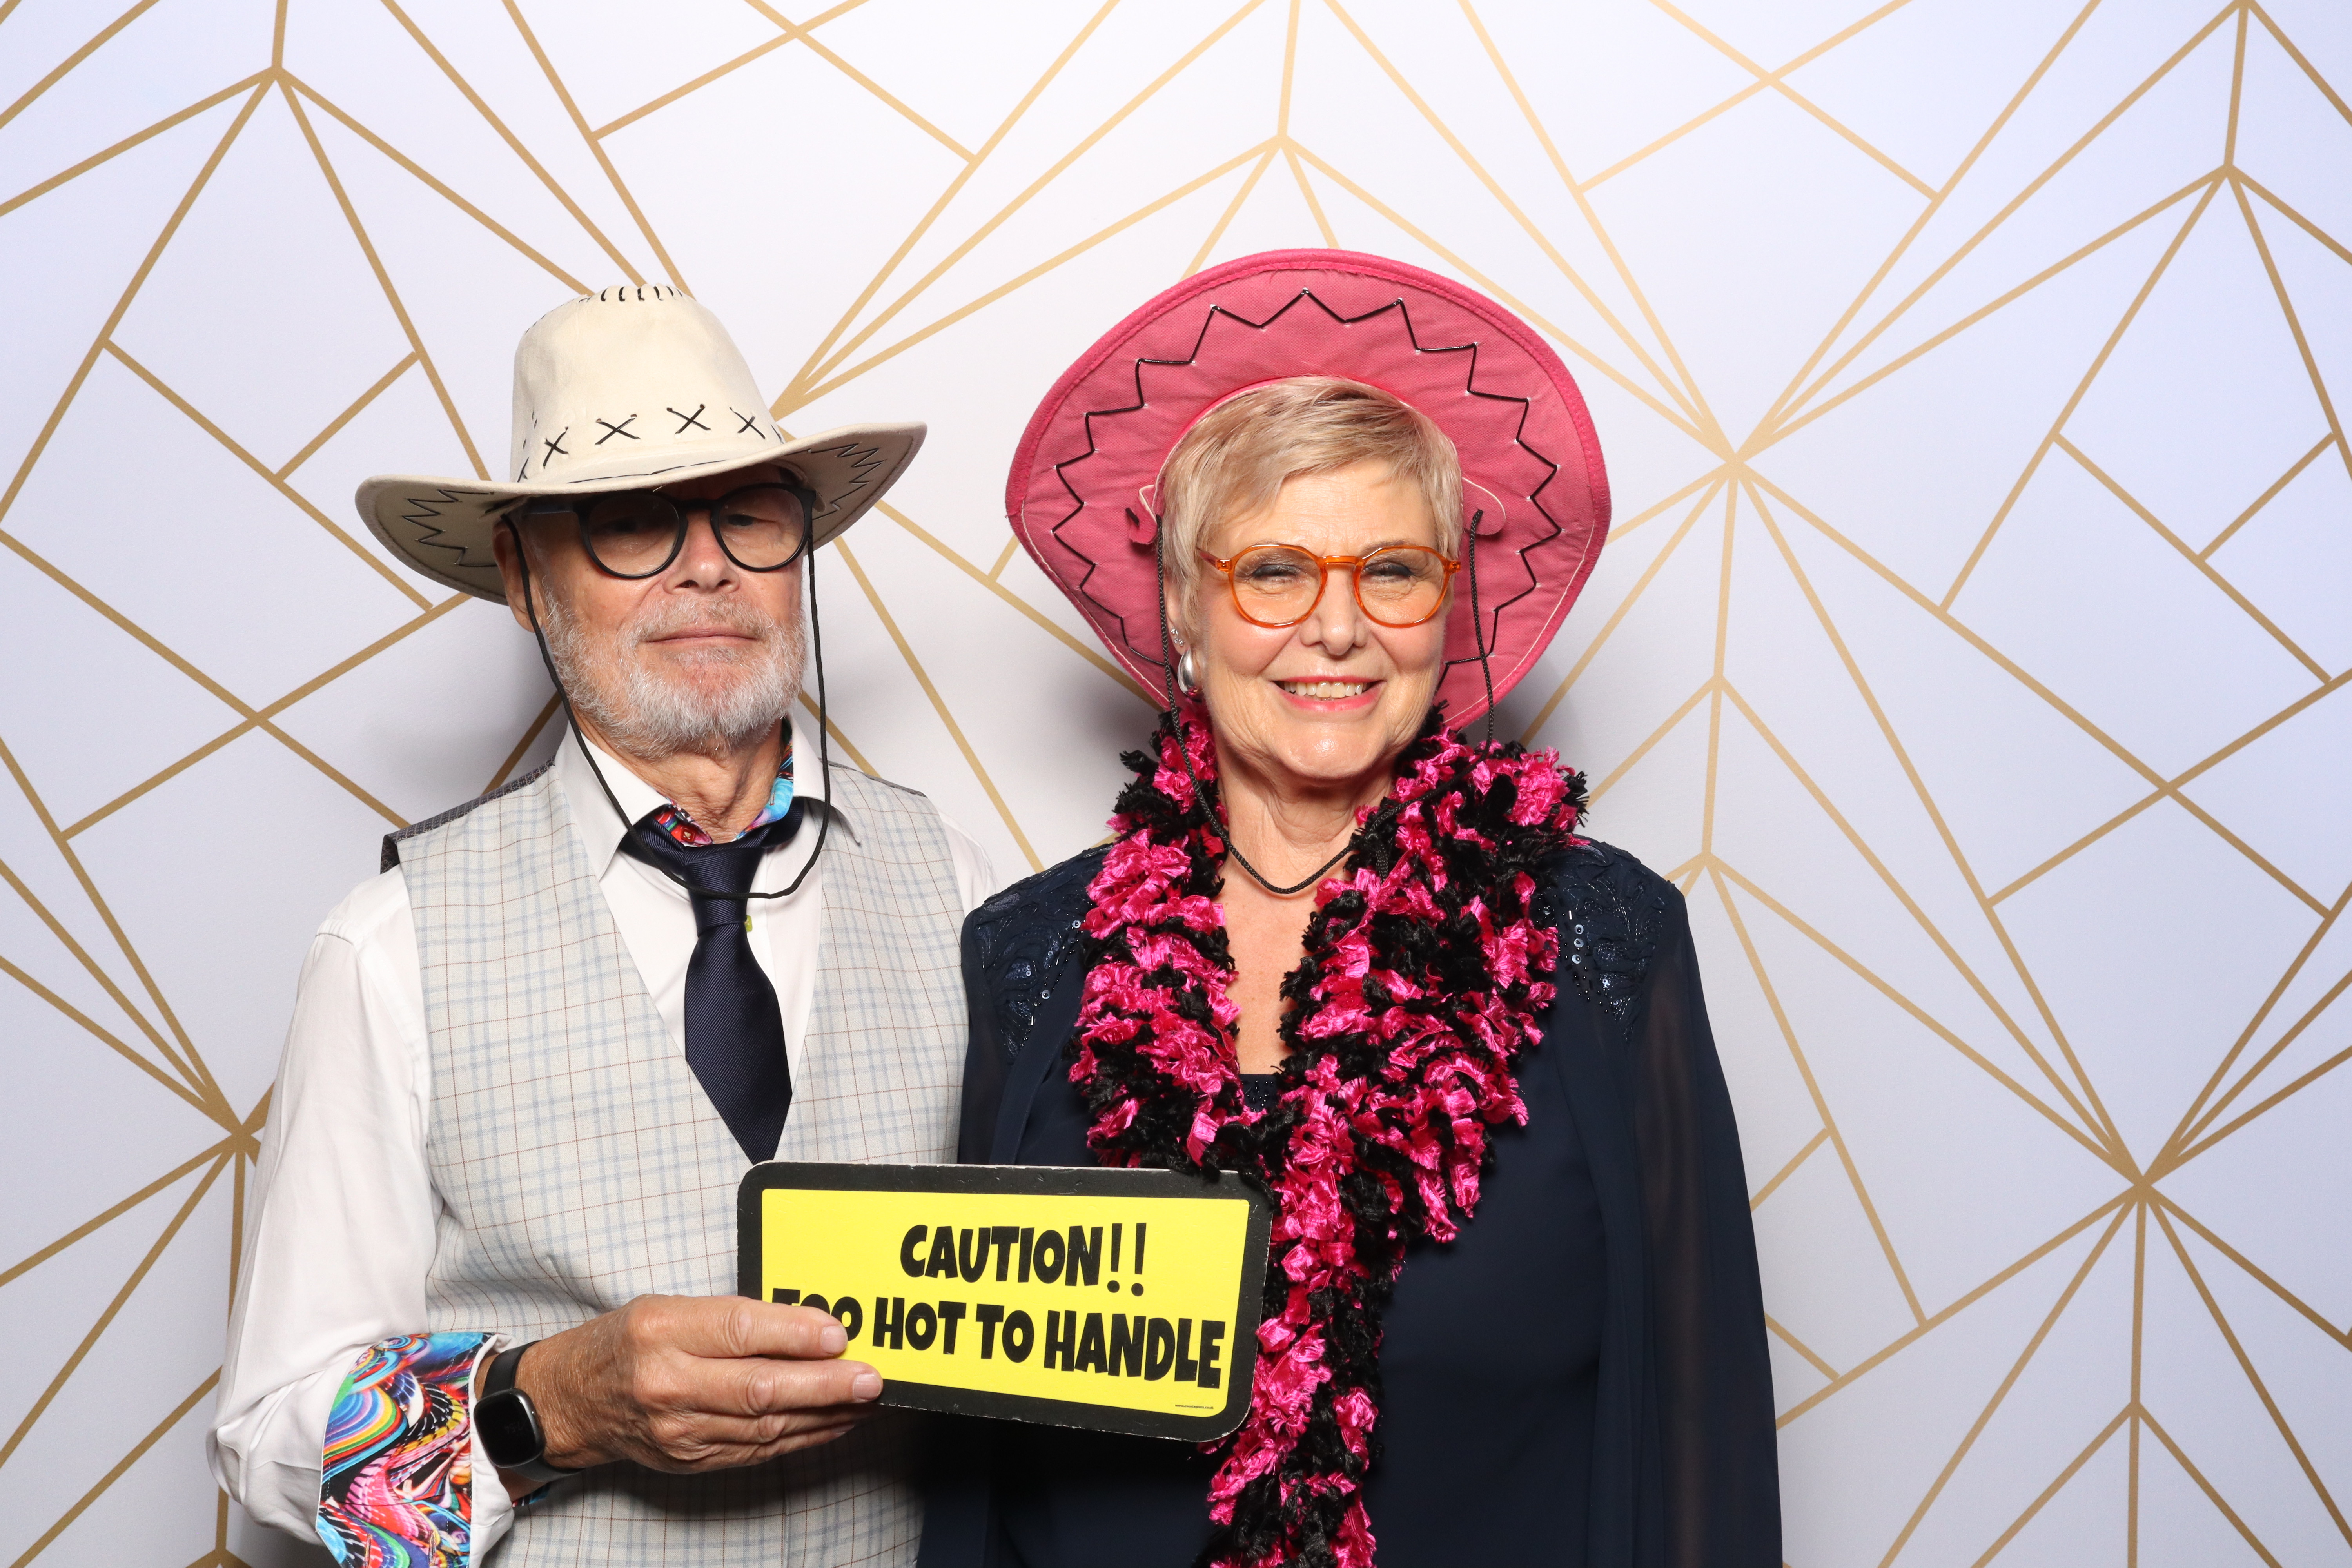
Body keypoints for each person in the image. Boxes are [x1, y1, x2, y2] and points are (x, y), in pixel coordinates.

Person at [929, 251, 1778, 1568]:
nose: (1338, 629)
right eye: (1273, 570)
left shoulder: (1606, 943)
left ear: (1449, 608)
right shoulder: (1034, 957)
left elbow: (1697, 1415)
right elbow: (978, 1456)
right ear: (1186, 618)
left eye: (1393, 570)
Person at [210, 285, 995, 1566]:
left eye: (750, 518)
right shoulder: (393, 945)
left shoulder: (958, 884)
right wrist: (551, 1409)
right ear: (525, 578)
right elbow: (271, 1440)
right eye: (632, 525)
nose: (706, 566)